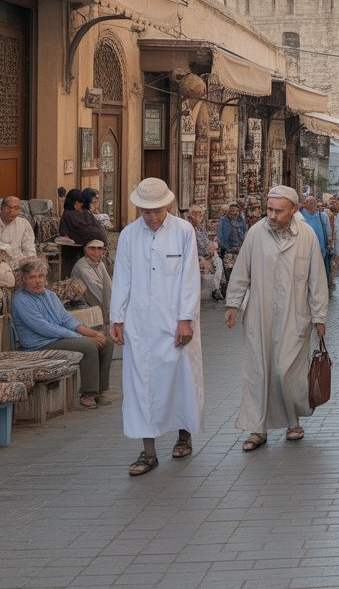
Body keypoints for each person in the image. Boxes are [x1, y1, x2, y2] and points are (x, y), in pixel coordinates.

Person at [110, 178, 203, 477]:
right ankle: (148, 451)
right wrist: (118, 317)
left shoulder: (183, 232)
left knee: (180, 380)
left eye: (157, 211)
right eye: (145, 211)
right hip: (140, 323)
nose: (151, 216)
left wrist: (185, 318)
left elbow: (190, 277)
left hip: (176, 322)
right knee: (141, 385)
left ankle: (184, 435)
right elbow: (121, 277)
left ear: (168, 206)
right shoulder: (128, 235)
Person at [224, 186, 328, 451]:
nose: (272, 215)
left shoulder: (307, 236)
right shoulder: (255, 233)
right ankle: (257, 428)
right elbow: (241, 272)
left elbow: (317, 280)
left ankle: (293, 422)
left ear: (293, 210)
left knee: (286, 371)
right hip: (260, 315)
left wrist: (320, 317)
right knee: (258, 371)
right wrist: (233, 304)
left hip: (295, 316)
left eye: (278, 211)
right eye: (269, 209)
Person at [11, 257, 114, 410]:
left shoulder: (49, 295)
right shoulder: (20, 300)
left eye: (41, 276)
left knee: (107, 342)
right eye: (32, 277)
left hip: (57, 338)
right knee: (88, 346)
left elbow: (66, 319)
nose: (38, 281)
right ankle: (88, 394)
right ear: (24, 280)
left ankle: (99, 390)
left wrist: (93, 333)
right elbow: (44, 328)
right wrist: (82, 337)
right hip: (40, 344)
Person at [0, 196, 36, 261]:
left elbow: (29, 249)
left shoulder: (24, 224)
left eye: (16, 208)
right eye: (8, 207)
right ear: (1, 207)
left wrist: (29, 264)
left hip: (19, 262)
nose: (12, 211)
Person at [187, 204, 223, 302]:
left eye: (201, 214)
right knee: (217, 262)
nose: (200, 217)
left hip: (205, 253)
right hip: (197, 255)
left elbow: (206, 242)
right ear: (192, 215)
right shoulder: (189, 227)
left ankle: (216, 288)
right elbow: (199, 245)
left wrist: (212, 248)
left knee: (218, 262)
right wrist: (208, 252)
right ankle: (215, 289)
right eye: (197, 214)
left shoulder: (199, 227)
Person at [70, 238, 112, 321]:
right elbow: (97, 291)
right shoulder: (81, 266)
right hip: (85, 303)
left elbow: (108, 286)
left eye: (100, 248)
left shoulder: (99, 263)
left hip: (102, 301)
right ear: (85, 249)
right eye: (92, 248)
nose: (96, 252)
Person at [299, 195, 332, 290]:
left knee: (318, 272)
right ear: (305, 204)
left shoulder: (323, 216)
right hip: (304, 250)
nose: (312, 204)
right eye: (309, 203)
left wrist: (329, 240)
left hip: (321, 250)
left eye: (314, 202)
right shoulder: (300, 215)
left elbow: (328, 231)